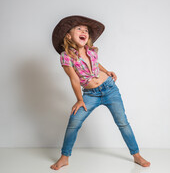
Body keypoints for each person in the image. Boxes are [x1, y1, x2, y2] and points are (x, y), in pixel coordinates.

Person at [50, 15, 151, 170]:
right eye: (79, 29)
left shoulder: (90, 50)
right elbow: (74, 79)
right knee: (74, 122)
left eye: (86, 30)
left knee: (122, 122)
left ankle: (136, 155)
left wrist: (107, 71)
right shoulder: (66, 56)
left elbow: (96, 63)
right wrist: (79, 99)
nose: (84, 31)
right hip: (90, 95)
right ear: (69, 35)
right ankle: (64, 157)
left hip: (109, 89)